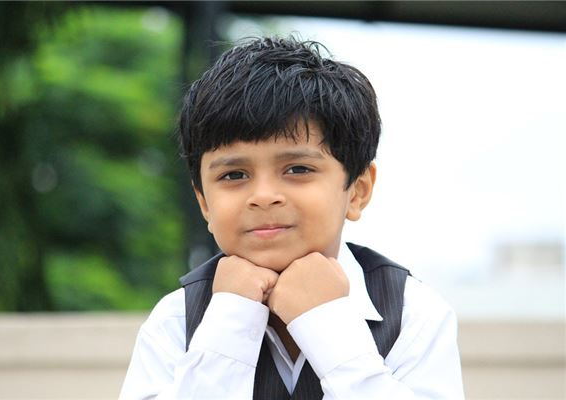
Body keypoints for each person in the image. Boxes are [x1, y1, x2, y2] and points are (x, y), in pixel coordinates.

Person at [120, 36, 464, 399]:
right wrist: (230, 321)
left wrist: (328, 328)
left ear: (358, 191)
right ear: (204, 202)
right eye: (234, 175)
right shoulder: (177, 319)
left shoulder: (412, 312)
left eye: (298, 169)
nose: (263, 196)